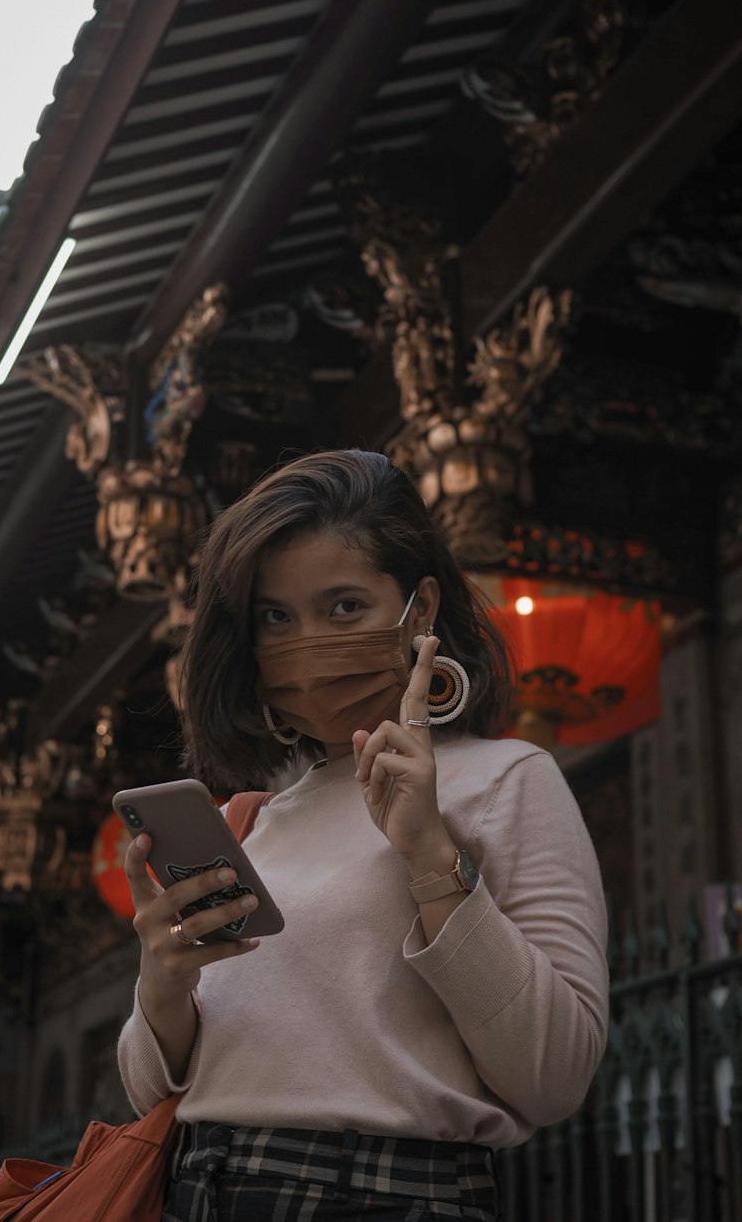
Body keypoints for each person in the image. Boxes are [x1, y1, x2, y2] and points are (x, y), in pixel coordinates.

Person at [119, 449, 609, 1220]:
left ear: (419, 609)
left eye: (344, 606)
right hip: (200, 1188)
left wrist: (429, 856)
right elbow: (153, 1094)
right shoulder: (252, 820)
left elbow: (554, 1076)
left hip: (388, 1195)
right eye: (276, 617)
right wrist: (162, 978)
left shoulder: (509, 778)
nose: (306, 642)